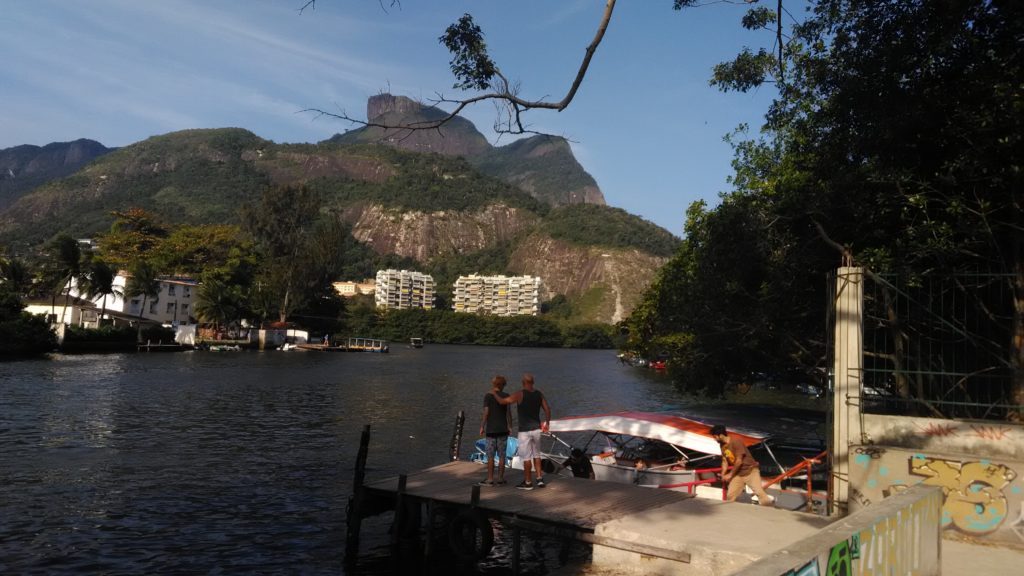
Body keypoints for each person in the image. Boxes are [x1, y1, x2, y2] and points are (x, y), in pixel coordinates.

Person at [493, 373, 551, 490]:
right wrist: (547, 423)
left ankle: (528, 482)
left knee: (526, 457)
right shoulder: (539, 394)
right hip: (536, 430)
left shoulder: (520, 394)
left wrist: (494, 394)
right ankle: (539, 479)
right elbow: (547, 409)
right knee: (537, 455)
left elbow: (503, 402)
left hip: (524, 431)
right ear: (533, 382)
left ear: (523, 383)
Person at [711, 424, 775, 506]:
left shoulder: (736, 441)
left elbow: (739, 461)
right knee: (730, 495)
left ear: (720, 435)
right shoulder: (722, 445)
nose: (714, 439)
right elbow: (724, 461)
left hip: (751, 471)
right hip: (738, 474)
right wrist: (723, 474)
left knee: (759, 493)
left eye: (715, 436)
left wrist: (730, 475)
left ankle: (769, 512)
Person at [478, 375, 512, 486]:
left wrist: (482, 426)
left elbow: (486, 413)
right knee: (502, 455)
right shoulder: (506, 396)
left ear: (494, 384)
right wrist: (510, 426)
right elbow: (508, 413)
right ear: (502, 385)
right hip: (503, 429)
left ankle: (490, 479)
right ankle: (501, 478)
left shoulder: (488, 396)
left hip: (491, 430)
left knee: (490, 456)